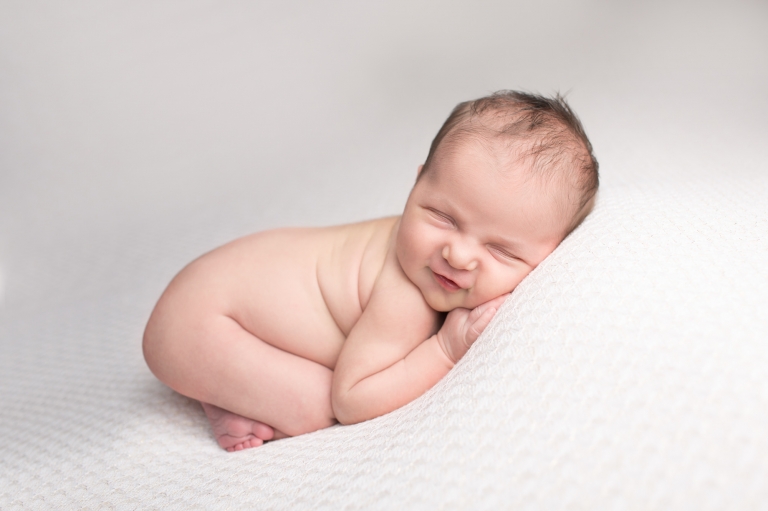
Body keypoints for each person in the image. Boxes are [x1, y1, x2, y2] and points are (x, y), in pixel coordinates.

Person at [142, 90, 599, 452]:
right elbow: (353, 398)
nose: (458, 256)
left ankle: (227, 382)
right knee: (316, 408)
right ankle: (220, 390)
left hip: (208, 291)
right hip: (198, 325)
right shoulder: (405, 295)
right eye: (442, 217)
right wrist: (445, 347)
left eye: (501, 250)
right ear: (417, 182)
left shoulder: (428, 255)